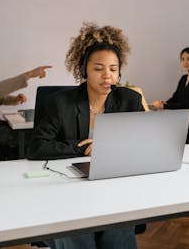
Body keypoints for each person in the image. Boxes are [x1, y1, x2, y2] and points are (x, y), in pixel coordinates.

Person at [27, 23, 143, 249]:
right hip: (66, 191)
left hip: (112, 189)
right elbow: (36, 147)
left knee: (117, 233)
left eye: (113, 68)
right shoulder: (61, 103)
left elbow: (141, 143)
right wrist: (81, 147)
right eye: (99, 68)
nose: (107, 75)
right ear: (83, 70)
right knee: (76, 233)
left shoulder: (130, 100)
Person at [151, 47, 189, 111]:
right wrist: (165, 103)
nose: (185, 62)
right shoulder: (184, 78)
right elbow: (175, 98)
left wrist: (165, 106)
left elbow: (188, 104)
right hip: (183, 112)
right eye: (182, 59)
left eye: (188, 59)